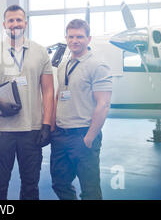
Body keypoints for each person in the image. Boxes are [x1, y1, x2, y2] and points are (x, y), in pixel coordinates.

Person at [0, 5, 54, 200]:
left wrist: (47, 124)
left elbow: (48, 90)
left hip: (32, 130)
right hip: (1, 131)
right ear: (4, 24)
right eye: (11, 20)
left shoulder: (40, 52)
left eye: (19, 20)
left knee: (30, 185)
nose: (15, 24)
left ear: (25, 24)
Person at [50, 19, 112, 200]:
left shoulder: (98, 65)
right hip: (61, 136)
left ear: (89, 38)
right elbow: (58, 96)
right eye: (71, 37)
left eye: (79, 36)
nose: (74, 40)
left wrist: (90, 137)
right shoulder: (64, 66)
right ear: (66, 38)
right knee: (59, 184)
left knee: (90, 190)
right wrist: (53, 128)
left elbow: (103, 104)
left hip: (83, 135)